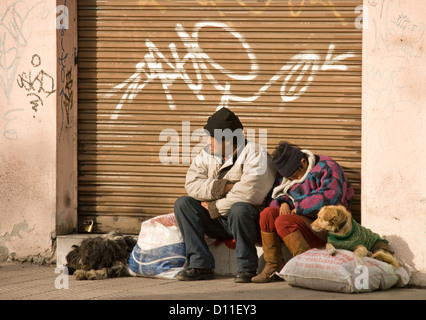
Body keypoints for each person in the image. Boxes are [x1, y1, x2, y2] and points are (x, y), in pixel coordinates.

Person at [174, 108, 276, 283]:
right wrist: (225, 186)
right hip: (218, 220)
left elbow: (251, 192)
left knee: (239, 208)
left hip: (245, 221)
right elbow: (192, 184)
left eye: (211, 137)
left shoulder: (256, 154)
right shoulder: (207, 153)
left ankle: (246, 269)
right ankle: (200, 265)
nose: (208, 141)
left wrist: (213, 206)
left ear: (227, 140)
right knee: (183, 204)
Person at [251, 141, 354, 283]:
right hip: (300, 223)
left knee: (283, 221)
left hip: (327, 227)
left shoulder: (327, 167)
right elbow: (275, 195)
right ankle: (274, 266)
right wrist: (283, 202)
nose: (293, 180)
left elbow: (332, 197)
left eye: (295, 176)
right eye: (290, 178)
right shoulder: (286, 175)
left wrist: (296, 206)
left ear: (303, 162)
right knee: (267, 214)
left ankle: (305, 266)